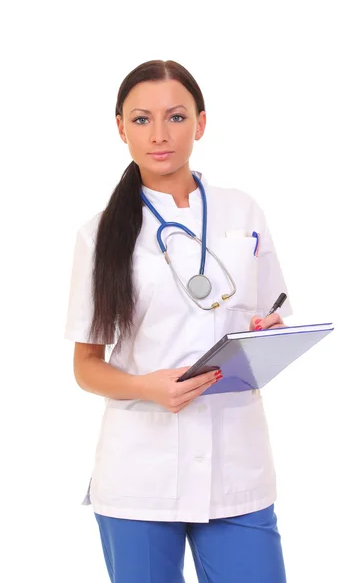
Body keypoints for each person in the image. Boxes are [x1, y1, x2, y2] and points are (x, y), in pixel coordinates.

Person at [64, 59, 292, 583]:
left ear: (201, 123)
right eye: (142, 119)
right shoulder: (99, 235)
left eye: (176, 117)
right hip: (141, 470)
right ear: (120, 127)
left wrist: (269, 334)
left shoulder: (243, 212)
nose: (160, 135)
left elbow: (272, 312)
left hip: (236, 463)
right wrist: (146, 387)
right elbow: (86, 366)